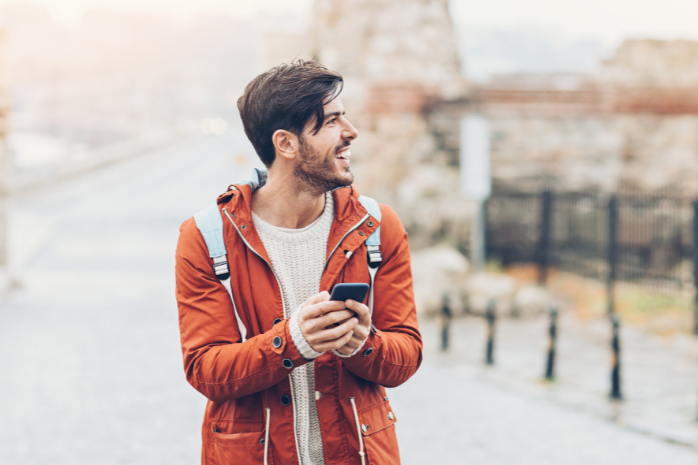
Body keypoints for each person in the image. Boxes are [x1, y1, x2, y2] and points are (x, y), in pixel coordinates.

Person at [175, 60, 422, 465]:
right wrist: (293, 342)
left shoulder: (378, 226)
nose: (351, 132)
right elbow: (207, 371)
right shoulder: (206, 237)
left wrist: (364, 344)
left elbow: (406, 355)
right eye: (330, 122)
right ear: (286, 144)